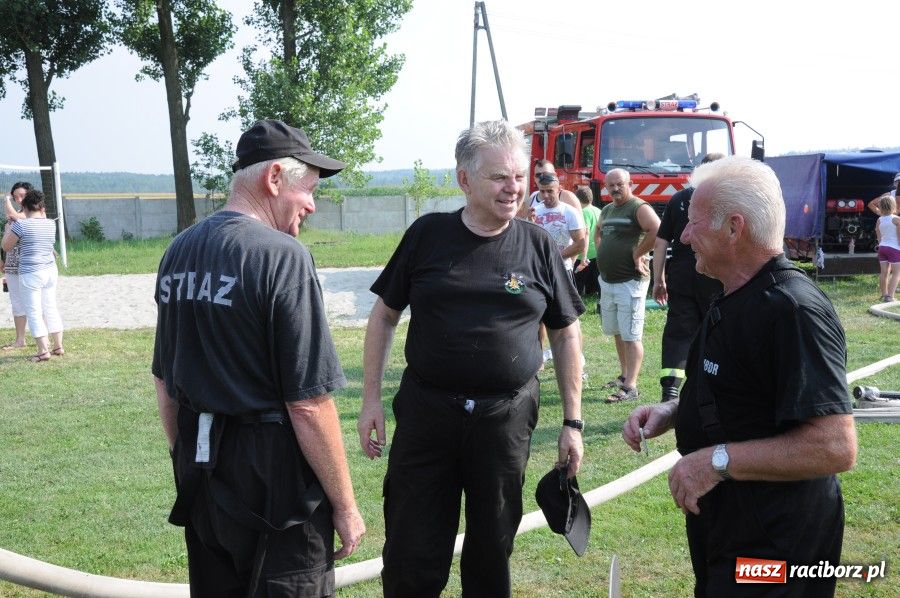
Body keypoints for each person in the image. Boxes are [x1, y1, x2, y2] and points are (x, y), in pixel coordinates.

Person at [358, 119, 585, 598]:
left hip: (505, 419)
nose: (513, 187)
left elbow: (566, 334)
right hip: (427, 415)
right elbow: (384, 317)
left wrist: (573, 422)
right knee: (412, 549)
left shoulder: (538, 245)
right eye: (499, 177)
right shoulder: (427, 235)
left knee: (492, 547)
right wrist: (370, 400)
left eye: (519, 176)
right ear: (464, 179)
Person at [623, 156, 857, 597]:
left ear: (734, 228)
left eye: (693, 223)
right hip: (731, 528)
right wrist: (675, 411)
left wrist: (714, 462)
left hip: (777, 549)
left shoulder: (793, 310)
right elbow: (742, 392)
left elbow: (834, 446)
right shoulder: (734, 294)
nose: (683, 236)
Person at [152, 119, 365, 596]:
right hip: (273, 479)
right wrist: (346, 506)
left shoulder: (178, 250)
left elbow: (165, 381)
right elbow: (308, 404)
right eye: (309, 189)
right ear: (274, 179)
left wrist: (186, 458)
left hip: (202, 468)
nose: (312, 204)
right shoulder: (282, 256)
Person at [652, 153, 724, 402]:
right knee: (716, 329)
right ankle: (711, 387)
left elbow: (661, 243)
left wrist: (658, 279)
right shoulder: (723, 199)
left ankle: (670, 390)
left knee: (678, 332)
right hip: (713, 274)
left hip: (681, 276)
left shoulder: (678, 198)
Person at [595, 168, 660, 402]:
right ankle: (623, 376)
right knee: (618, 332)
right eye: (610, 185)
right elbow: (598, 230)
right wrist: (602, 249)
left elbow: (657, 229)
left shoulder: (638, 207)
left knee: (631, 335)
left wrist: (638, 253)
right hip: (608, 281)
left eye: (619, 184)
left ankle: (631, 387)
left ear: (629, 183)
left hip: (630, 282)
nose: (614, 189)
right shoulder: (607, 209)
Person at [1, 188, 63, 362]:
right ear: (41, 207)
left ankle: (43, 351)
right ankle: (58, 346)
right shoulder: (50, 223)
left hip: (30, 272)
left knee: (34, 311)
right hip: (50, 270)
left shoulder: (20, 225)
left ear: (25, 208)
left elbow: (6, 246)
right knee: (50, 307)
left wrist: (9, 228)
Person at [1, 181, 32, 349]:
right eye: (15, 197)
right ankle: (20, 340)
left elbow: (14, 215)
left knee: (36, 301)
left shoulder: (34, 213)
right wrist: (3, 259)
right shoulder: (16, 215)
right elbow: (5, 239)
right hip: (12, 265)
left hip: (29, 265)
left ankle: (46, 339)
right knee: (17, 302)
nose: (18, 200)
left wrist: (6, 200)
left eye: (22, 196)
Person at [517, 158, 585, 222]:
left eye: (546, 174)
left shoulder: (567, 197)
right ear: (534, 178)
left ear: (555, 175)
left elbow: (581, 225)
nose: (542, 178)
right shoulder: (532, 198)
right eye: (538, 175)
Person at [873, 194, 900, 301]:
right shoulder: (897, 219)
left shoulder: (879, 220)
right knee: (897, 273)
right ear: (893, 205)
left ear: (881, 207)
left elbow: (878, 234)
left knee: (884, 273)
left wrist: (881, 244)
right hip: (894, 248)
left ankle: (884, 294)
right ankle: (890, 297)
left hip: (882, 248)